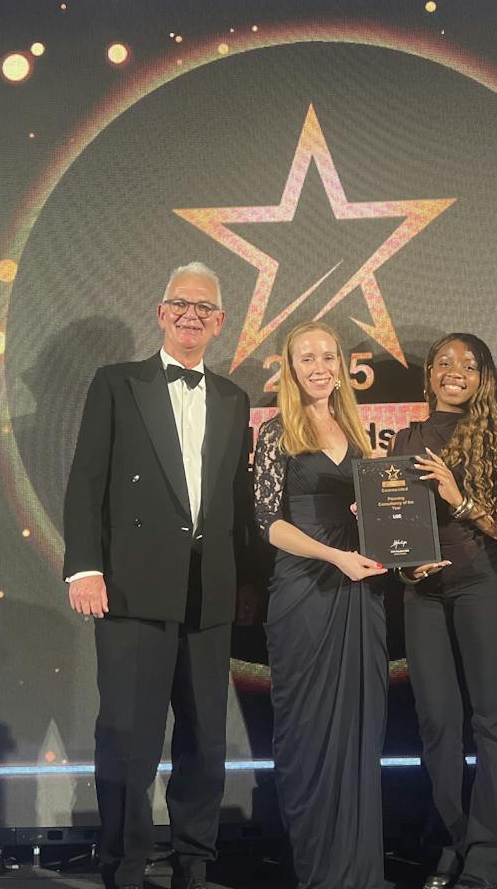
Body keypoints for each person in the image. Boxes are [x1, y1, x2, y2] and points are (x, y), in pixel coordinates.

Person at [62, 262, 254, 889]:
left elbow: (238, 500)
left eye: (205, 307)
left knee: (205, 741)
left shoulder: (233, 398)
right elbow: (87, 481)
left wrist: (246, 585)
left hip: (208, 594)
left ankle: (194, 862)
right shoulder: (117, 383)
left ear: (220, 321)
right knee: (128, 737)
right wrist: (84, 568)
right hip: (130, 589)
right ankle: (124, 865)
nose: (192, 315)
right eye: (181, 304)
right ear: (161, 312)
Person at [392, 334, 497, 889]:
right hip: (423, 593)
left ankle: (490, 862)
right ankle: (453, 843)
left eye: (468, 366)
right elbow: (396, 527)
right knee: (436, 723)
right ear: (430, 373)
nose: (455, 372)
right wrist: (406, 567)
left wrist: (460, 498)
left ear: (482, 379)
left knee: (492, 721)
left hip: (483, 586)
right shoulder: (406, 437)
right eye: (445, 363)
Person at [252, 320, 389, 889]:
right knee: (307, 731)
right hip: (306, 589)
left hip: (361, 590)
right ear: (289, 367)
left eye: (328, 356)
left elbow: (379, 510)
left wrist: (375, 523)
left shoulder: (358, 431)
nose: (318, 367)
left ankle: (359, 872)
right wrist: (335, 557)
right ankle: (319, 872)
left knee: (361, 728)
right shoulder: (276, 432)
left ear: (341, 365)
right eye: (306, 358)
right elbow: (269, 523)